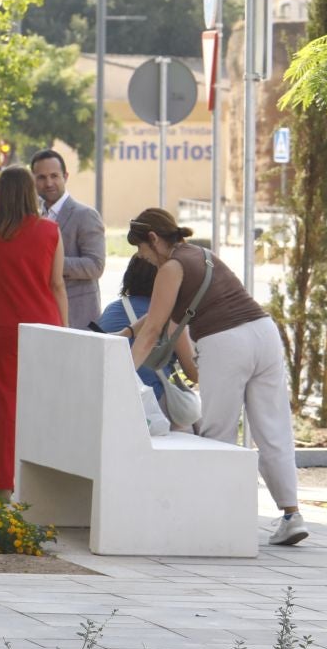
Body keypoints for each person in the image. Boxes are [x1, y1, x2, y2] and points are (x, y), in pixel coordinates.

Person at [124, 208, 308, 545]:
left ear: (153, 238)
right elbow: (159, 316)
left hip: (225, 343)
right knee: (274, 429)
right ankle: (291, 515)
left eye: (141, 249)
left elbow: (153, 330)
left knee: (217, 434)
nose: (142, 257)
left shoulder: (170, 268)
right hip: (264, 334)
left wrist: (123, 375)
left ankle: (217, 520)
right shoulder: (202, 255)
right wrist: (127, 331)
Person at [0, 165, 66, 496]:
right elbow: (56, 284)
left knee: (3, 404)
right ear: (31, 191)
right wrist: (64, 330)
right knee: (43, 403)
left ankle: (2, 484)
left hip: (4, 326)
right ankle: (44, 484)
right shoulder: (51, 230)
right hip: (44, 325)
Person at [31, 149, 106, 330]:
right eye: (41, 177)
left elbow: (95, 266)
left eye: (54, 176)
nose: (49, 183)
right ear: (33, 180)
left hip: (78, 318)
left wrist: (51, 263)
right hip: (40, 315)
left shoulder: (85, 215)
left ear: (65, 176)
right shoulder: (32, 218)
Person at [98, 254, 166, 401]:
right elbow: (192, 371)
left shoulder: (111, 309)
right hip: (151, 399)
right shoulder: (168, 314)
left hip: (109, 394)